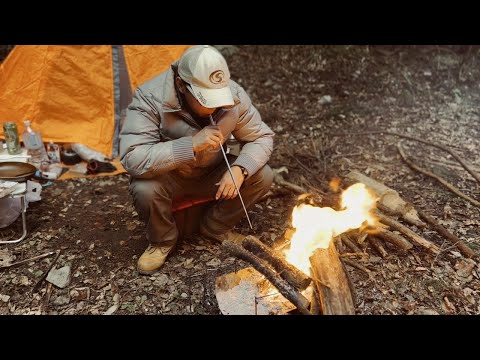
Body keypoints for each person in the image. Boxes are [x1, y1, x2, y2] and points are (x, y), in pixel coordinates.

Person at [119, 45, 275, 275]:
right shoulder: (150, 97)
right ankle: (162, 241)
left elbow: (261, 137)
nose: (214, 106)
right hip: (170, 176)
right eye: (206, 99)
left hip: (211, 172)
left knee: (262, 174)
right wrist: (190, 145)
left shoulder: (232, 95)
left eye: (217, 97)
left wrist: (240, 169)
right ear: (182, 85)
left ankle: (215, 228)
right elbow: (133, 157)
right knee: (144, 188)